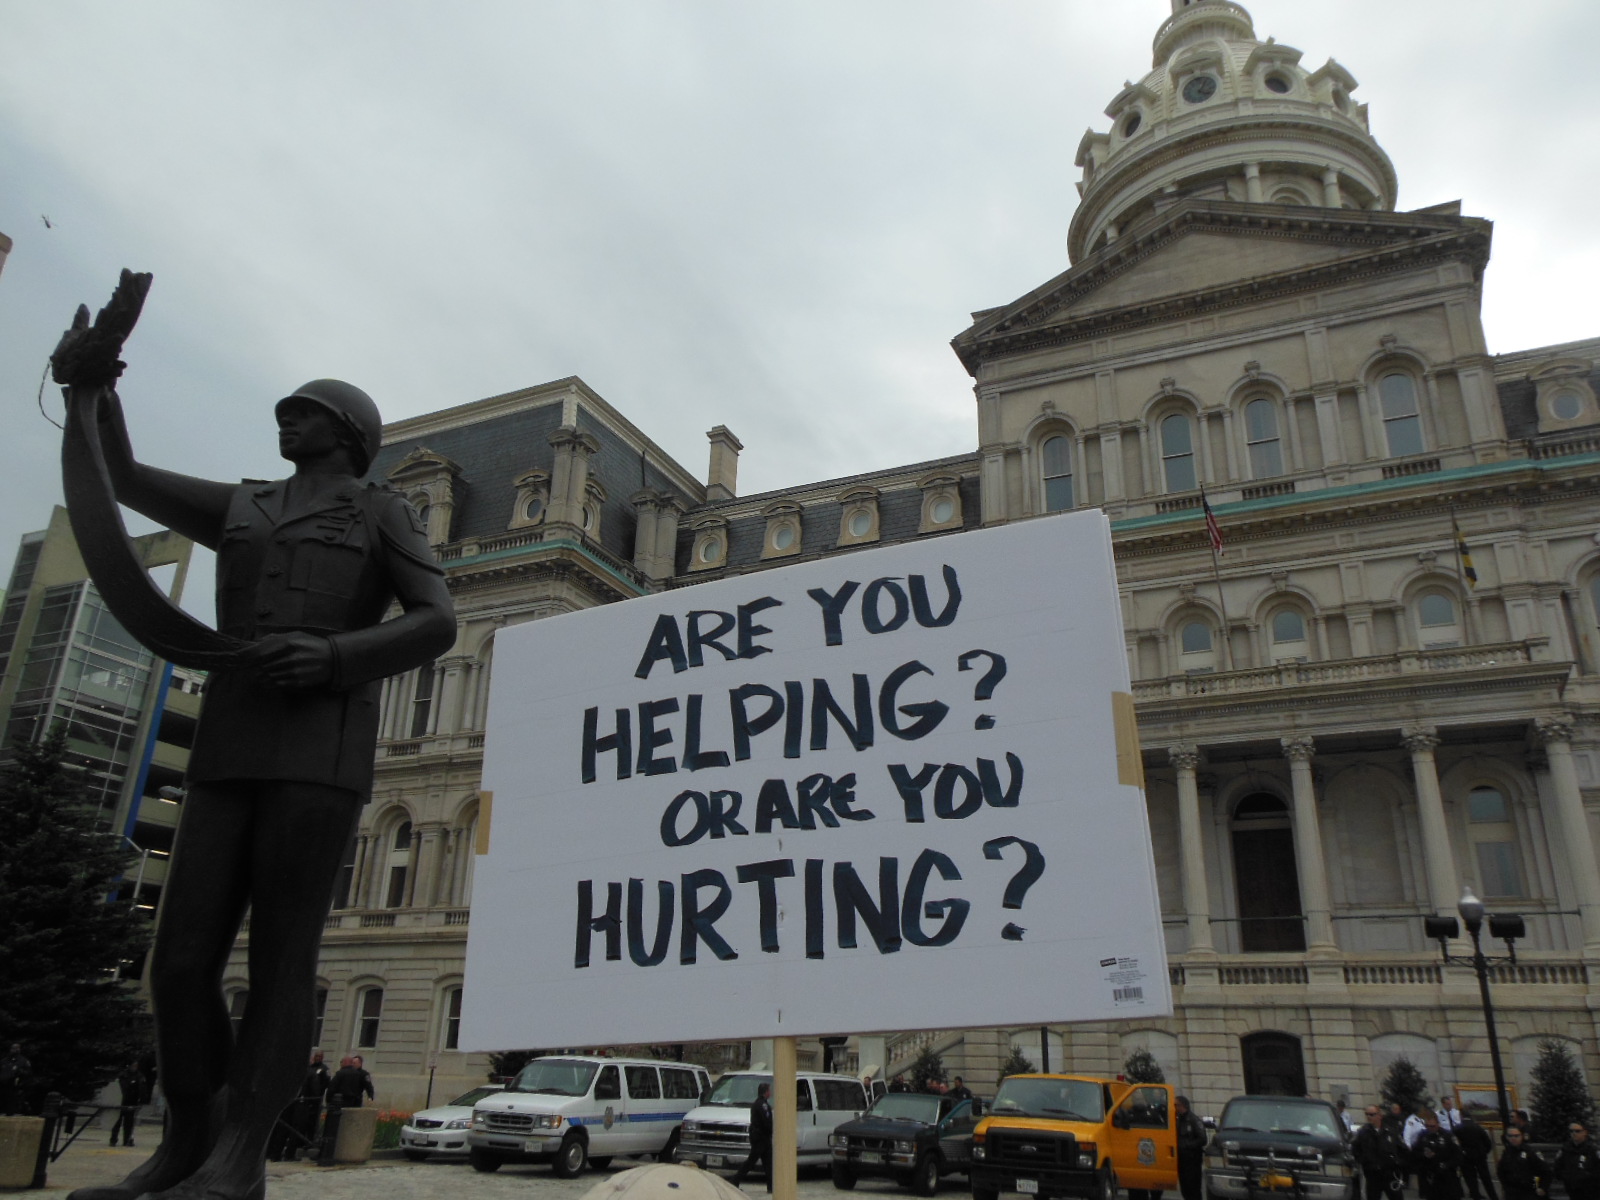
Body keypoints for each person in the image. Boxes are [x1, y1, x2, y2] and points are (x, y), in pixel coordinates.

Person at [51, 305, 456, 1200]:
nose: (285, 416)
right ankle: (186, 1143)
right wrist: (94, 384)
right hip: (228, 740)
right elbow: (116, 475)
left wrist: (338, 654)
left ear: (346, 434)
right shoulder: (245, 504)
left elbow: (439, 621)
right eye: (284, 406)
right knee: (183, 958)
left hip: (320, 747)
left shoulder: (382, 511)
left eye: (303, 409)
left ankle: (241, 1159)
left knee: (283, 954)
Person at [1354, 1103, 1407, 1200]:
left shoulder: (1390, 1131)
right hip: (1373, 1175)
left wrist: (1397, 1163)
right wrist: (1364, 1162)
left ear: (1379, 1115)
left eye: (1372, 1114)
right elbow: (1356, 1150)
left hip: (1390, 1174)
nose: (1369, 1117)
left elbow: (1402, 1150)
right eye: (1367, 1114)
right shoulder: (1363, 1133)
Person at [732, 1082, 772, 1194]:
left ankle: (771, 1186)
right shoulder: (762, 1105)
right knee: (751, 1162)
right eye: (769, 1090)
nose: (771, 1092)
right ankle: (735, 1180)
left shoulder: (758, 1103)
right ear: (766, 1092)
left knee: (768, 1163)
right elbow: (766, 1122)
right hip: (761, 1138)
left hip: (761, 1137)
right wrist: (771, 1131)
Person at [1416, 1110, 1464, 1200]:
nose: (1430, 1128)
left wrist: (1446, 1165)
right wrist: (1424, 1155)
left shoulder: (1448, 1136)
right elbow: (1415, 1154)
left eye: (1432, 1126)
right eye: (1427, 1126)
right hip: (1432, 1178)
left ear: (1438, 1124)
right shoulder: (1423, 1137)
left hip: (1448, 1177)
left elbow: (1458, 1156)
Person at [1497, 1126, 1550, 1200]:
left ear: (1521, 1136)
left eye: (1516, 1136)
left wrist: (1543, 1187)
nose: (1513, 1138)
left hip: (1529, 1191)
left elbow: (1546, 1171)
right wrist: (1506, 1188)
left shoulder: (1531, 1152)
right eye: (1510, 1136)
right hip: (1512, 1192)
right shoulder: (1506, 1153)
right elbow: (1501, 1172)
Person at [1455, 1113, 1498, 1200]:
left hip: (1466, 1157)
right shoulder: (1478, 1127)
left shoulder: (1457, 1128)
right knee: (1486, 1179)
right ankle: (1493, 1196)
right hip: (1480, 1156)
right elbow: (1488, 1142)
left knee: (1471, 1181)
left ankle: (1476, 1196)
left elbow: (1454, 1144)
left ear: (1461, 1117)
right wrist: (1484, 1152)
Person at [1557, 1122, 1600, 1200]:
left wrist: (1589, 1177)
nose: (1574, 1133)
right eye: (1571, 1131)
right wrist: (1565, 1176)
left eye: (1577, 1131)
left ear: (1585, 1132)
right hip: (1572, 1188)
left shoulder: (1592, 1150)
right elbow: (1558, 1166)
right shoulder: (1565, 1149)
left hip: (1590, 1190)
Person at [1175, 1095, 1207, 1200]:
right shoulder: (1179, 1119)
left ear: (1182, 1105)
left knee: (1193, 1188)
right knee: (1185, 1188)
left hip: (1192, 1160)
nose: (1175, 1107)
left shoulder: (1193, 1119)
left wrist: (1186, 1145)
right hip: (1182, 1159)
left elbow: (1203, 1139)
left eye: (1176, 1105)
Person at [109, 1063, 144, 1147]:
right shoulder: (122, 1075)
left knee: (129, 1123)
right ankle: (113, 1140)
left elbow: (141, 1089)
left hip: (131, 1102)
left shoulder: (139, 1076)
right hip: (120, 1101)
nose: (134, 1067)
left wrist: (140, 1100)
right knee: (117, 1122)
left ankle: (127, 1140)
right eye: (133, 1065)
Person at [0, 1045, 31, 1115]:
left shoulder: (23, 1061)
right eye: (13, 1048)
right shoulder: (4, 1061)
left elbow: (28, 1073)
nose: (15, 1050)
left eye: (17, 1048)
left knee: (12, 1102)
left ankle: (11, 1114)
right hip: (3, 1085)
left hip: (15, 1086)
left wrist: (20, 1074)